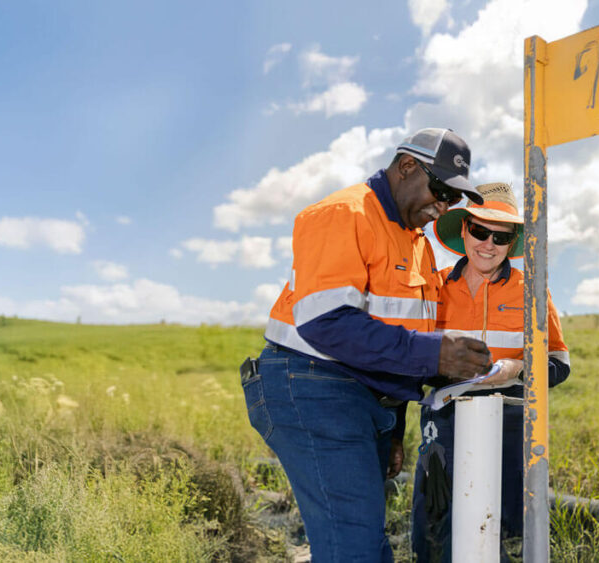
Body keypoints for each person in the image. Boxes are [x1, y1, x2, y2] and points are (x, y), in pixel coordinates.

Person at [241, 128, 495, 562]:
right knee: (354, 546)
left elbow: (395, 346)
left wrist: (393, 431)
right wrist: (436, 353)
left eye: (453, 200)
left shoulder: (418, 245)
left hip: (363, 398)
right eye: (440, 191)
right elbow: (327, 323)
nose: (443, 207)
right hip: (311, 384)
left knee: (365, 540)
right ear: (407, 166)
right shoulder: (344, 214)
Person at [411, 182, 571, 562]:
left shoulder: (531, 290)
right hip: (444, 424)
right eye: (481, 231)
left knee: (504, 531)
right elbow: (409, 358)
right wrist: (442, 369)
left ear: (512, 242)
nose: (488, 244)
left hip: (511, 425)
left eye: (500, 237)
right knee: (436, 527)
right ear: (464, 229)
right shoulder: (434, 286)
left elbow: (559, 366)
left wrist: (519, 369)